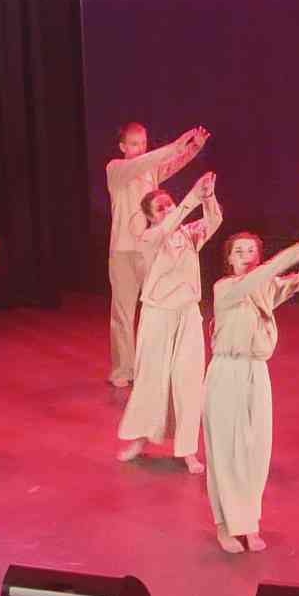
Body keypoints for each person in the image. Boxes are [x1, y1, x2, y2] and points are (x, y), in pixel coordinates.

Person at [203, 232, 299, 553]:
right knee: (225, 453)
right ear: (229, 260)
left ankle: (249, 524)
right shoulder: (225, 288)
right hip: (226, 372)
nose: (246, 255)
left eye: (251, 250)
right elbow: (268, 272)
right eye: (239, 251)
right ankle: (224, 525)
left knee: (256, 451)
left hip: (256, 372)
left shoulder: (265, 287)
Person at [116, 172, 222, 473]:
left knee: (188, 381)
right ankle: (140, 439)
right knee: (151, 379)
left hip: (187, 314)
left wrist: (208, 196)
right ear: (151, 217)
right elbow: (165, 229)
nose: (167, 209)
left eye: (168, 204)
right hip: (157, 315)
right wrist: (192, 196)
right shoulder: (149, 239)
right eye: (159, 208)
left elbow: (214, 220)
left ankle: (187, 449)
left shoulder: (189, 234)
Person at [106, 123, 209, 387]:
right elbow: (149, 161)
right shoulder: (116, 169)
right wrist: (175, 145)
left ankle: (153, 367)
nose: (140, 149)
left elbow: (171, 164)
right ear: (122, 147)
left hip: (150, 249)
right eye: (134, 144)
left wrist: (192, 148)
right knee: (123, 313)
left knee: (157, 308)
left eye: (143, 143)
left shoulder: (149, 169)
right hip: (123, 252)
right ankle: (123, 369)